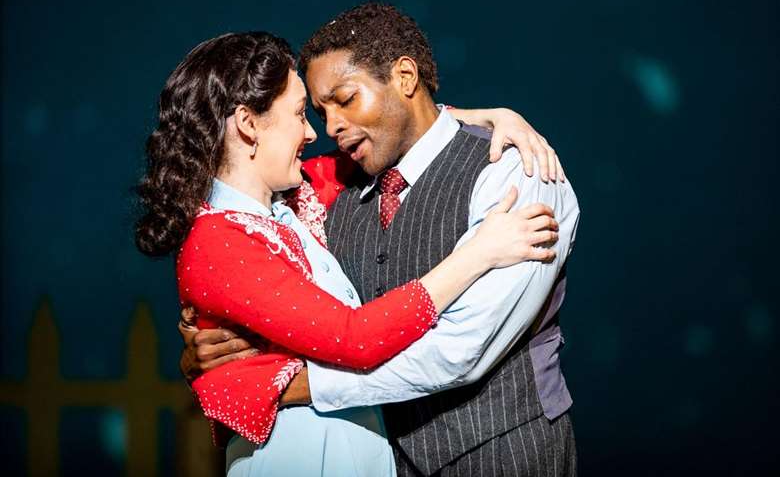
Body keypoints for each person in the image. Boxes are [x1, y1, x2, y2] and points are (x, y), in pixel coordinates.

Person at [136, 31, 563, 476]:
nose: (312, 132)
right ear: (248, 123)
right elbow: (354, 339)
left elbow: (405, 130)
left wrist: (494, 116)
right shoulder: (214, 241)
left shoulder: (299, 196)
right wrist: (479, 253)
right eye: (302, 113)